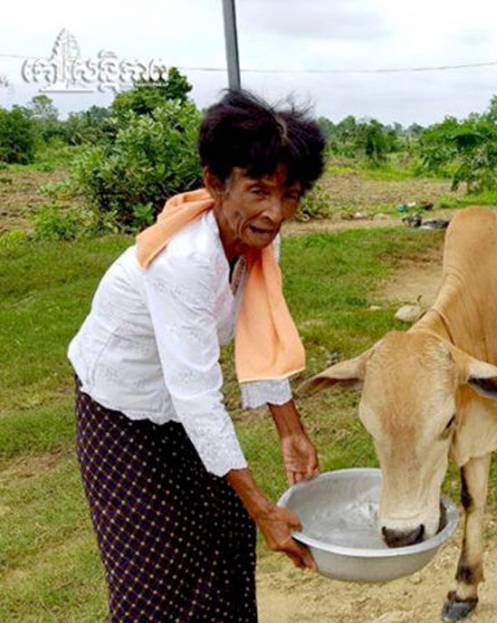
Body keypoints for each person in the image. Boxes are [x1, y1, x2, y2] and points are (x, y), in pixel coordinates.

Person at [69, 90, 326, 621]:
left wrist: (289, 428)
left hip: (180, 408)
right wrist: (263, 510)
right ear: (215, 183)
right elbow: (196, 396)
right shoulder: (185, 262)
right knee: (153, 569)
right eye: (257, 190)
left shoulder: (259, 237)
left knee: (223, 537)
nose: (274, 213)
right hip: (122, 413)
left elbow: (262, 328)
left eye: (290, 194)